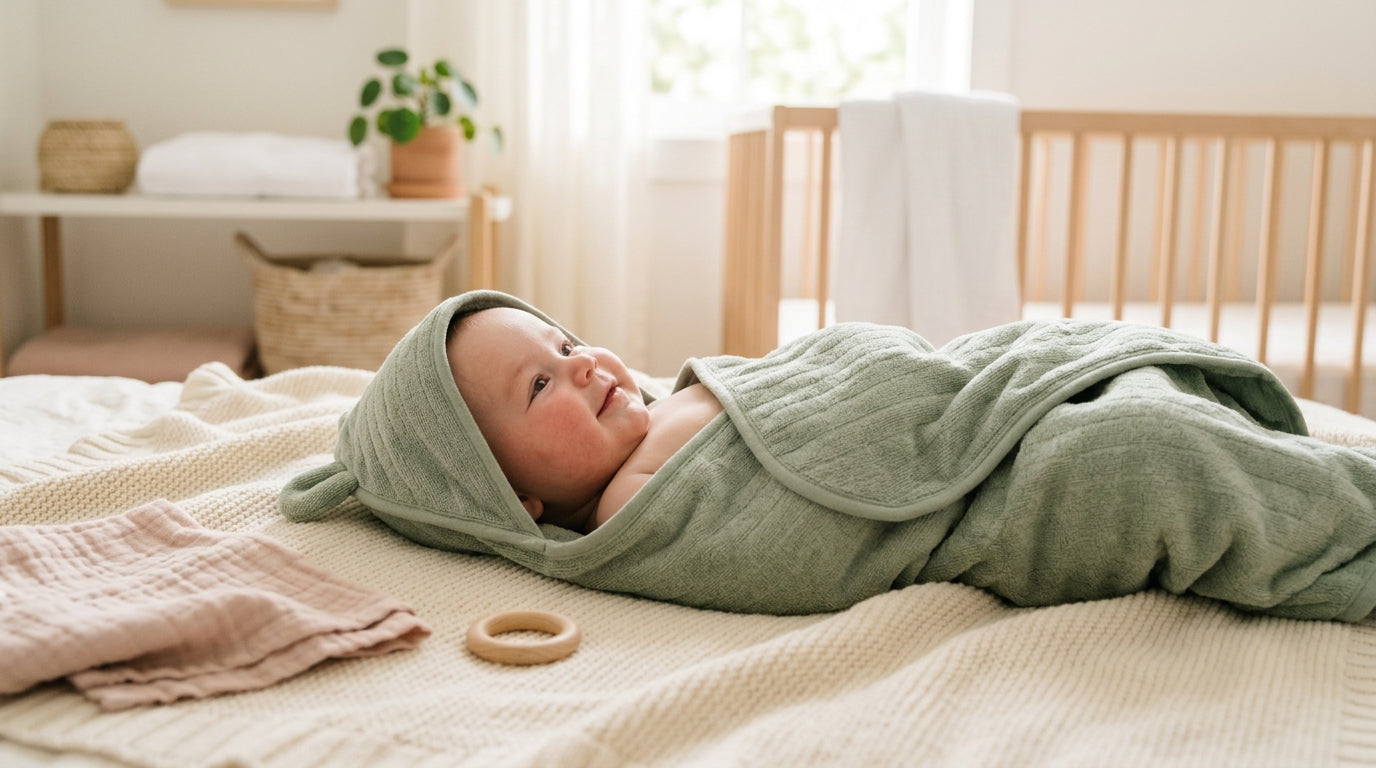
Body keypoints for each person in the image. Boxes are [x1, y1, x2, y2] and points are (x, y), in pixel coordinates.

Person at [281, 290, 1376, 622]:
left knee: (1117, 388)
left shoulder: (672, 400)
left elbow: (846, 375)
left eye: (562, 344)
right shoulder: (631, 511)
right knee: (1139, 460)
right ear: (506, 495)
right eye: (538, 387)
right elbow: (795, 537)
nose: (583, 367)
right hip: (975, 498)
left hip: (962, 407)